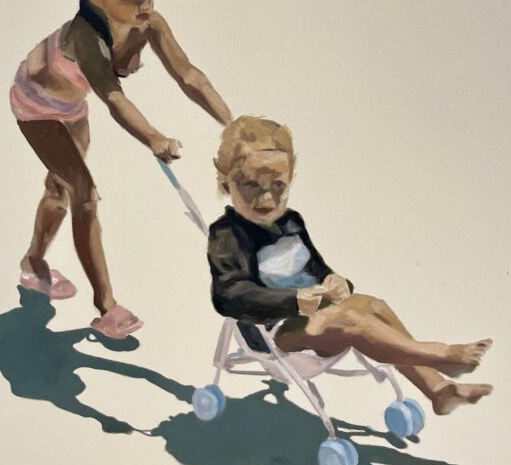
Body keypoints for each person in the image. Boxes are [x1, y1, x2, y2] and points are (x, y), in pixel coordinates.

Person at [10, 0, 232, 339]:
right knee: (84, 195)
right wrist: (154, 138)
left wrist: (232, 124)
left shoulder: (149, 23)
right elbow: (114, 99)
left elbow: (189, 76)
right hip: (36, 105)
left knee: (60, 188)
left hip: (71, 106)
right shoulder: (84, 37)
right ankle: (106, 306)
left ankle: (33, 263)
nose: (146, 3)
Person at [207, 116, 493, 415]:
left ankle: (437, 389)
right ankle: (438, 354)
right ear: (225, 182)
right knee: (350, 320)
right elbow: (229, 295)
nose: (266, 198)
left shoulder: (291, 222)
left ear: (290, 179)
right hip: (272, 330)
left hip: (317, 314)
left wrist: (336, 282)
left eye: (278, 185)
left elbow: (317, 270)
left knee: (373, 306)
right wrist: (296, 300)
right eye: (251, 185)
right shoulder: (227, 234)